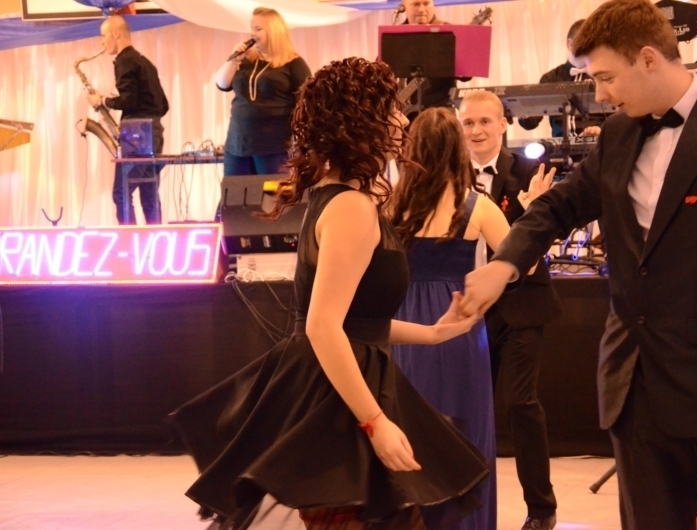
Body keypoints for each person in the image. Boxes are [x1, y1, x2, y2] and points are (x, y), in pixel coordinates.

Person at [460, 1, 697, 529]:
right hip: (637, 385)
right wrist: (504, 265)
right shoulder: (618, 135)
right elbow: (558, 206)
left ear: (647, 59)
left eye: (605, 77)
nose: (599, 94)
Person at [170, 57, 490, 530]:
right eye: (391, 110)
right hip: (338, 405)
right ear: (361, 122)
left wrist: (432, 334)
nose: (403, 121)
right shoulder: (350, 208)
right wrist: (374, 422)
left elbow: (355, 322)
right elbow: (323, 327)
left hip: (344, 392)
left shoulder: (343, 199)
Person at [388, 107, 507, 530]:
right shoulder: (479, 207)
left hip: (402, 325)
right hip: (458, 323)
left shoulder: (388, 205)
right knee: (466, 434)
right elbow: (524, 264)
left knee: (408, 434)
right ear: (458, 150)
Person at [459, 90, 560, 530]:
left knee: (521, 404)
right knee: (467, 405)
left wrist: (529, 211)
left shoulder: (528, 172)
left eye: (485, 121)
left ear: (503, 124)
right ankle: (467, 505)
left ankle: (542, 509)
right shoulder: (449, 174)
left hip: (521, 306)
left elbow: (534, 248)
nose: (477, 130)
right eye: (469, 123)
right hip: (467, 307)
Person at [88, 15, 169, 225]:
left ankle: (129, 239)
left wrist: (102, 100)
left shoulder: (124, 61)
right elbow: (164, 105)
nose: (102, 42)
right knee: (149, 195)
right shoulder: (145, 62)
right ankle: (155, 237)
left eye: (103, 35)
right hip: (154, 133)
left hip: (137, 136)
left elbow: (129, 101)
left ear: (116, 33)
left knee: (121, 193)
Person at [215, 8, 311, 176]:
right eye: (252, 28)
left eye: (258, 29)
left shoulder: (293, 63)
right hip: (238, 145)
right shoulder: (246, 60)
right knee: (235, 192)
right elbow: (222, 84)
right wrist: (234, 59)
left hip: (274, 147)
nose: (253, 33)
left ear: (274, 32)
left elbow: (308, 102)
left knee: (271, 192)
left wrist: (301, 142)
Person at [517, 19, 604, 139]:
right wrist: (522, 110)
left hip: (598, 143)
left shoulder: (602, 76)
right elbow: (531, 123)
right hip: (560, 147)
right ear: (570, 44)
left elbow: (615, 116)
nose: (591, 49)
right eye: (586, 43)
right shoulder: (551, 78)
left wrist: (601, 130)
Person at [398, 0, 468, 118]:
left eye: (426, 4)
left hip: (441, 114)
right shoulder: (395, 34)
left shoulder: (448, 32)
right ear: (404, 4)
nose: (422, 10)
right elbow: (381, 72)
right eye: (416, 4)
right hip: (406, 117)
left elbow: (466, 75)